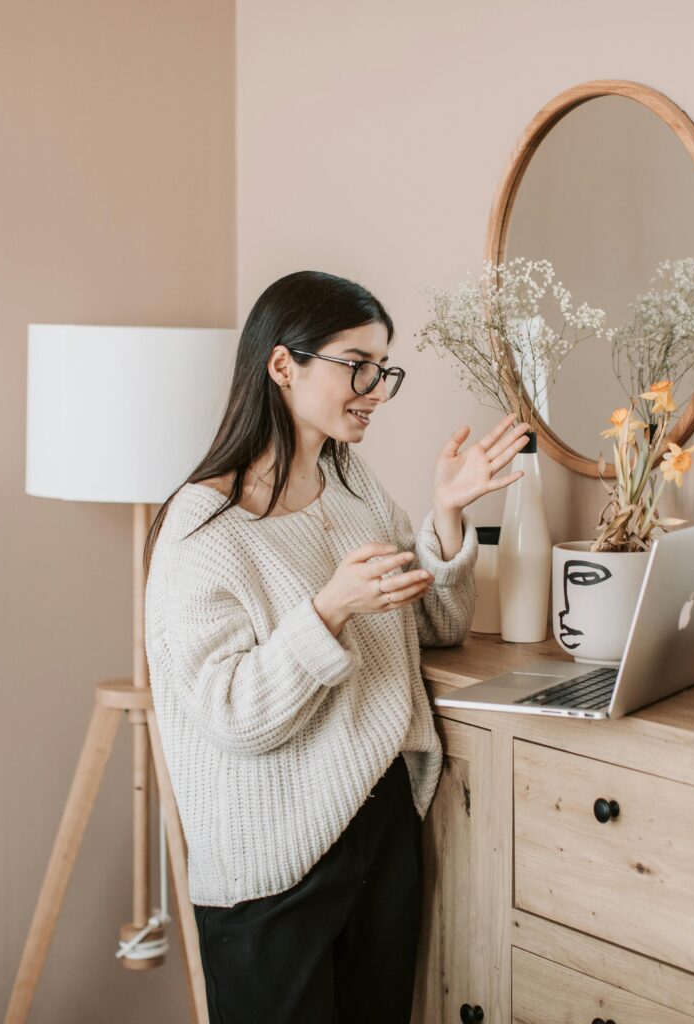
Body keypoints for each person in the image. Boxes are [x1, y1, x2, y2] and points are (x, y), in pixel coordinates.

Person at [141, 269, 530, 1023]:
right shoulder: (202, 529)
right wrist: (327, 612)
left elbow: (432, 624)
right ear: (283, 365)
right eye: (356, 364)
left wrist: (448, 513)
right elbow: (234, 717)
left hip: (379, 828)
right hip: (275, 861)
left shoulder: (349, 484)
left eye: (383, 368)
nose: (376, 389)